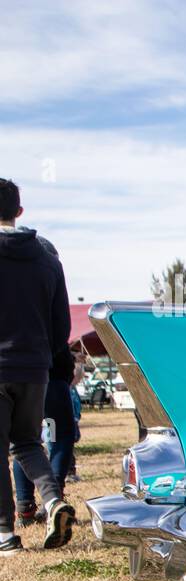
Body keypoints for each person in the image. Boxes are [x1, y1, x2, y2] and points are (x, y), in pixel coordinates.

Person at [0, 177, 76, 555]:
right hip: (34, 368)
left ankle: (5, 534)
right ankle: (52, 501)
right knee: (28, 442)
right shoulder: (47, 259)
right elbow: (61, 324)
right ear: (19, 212)